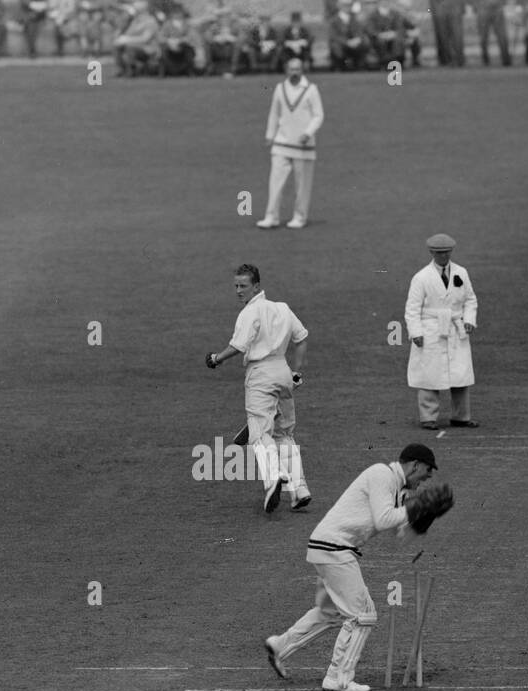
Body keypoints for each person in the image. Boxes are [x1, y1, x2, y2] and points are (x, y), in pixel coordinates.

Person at [265, 444, 440, 691]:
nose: (428, 477)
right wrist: (415, 508)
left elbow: (400, 532)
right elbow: (383, 519)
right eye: (427, 471)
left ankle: (279, 646)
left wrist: (425, 517)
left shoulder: (398, 490)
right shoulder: (382, 475)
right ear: (414, 465)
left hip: (327, 547)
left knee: (331, 612)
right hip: (335, 548)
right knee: (363, 615)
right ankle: (338, 678)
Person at [204, 264, 311, 513]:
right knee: (284, 434)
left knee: (259, 433)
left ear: (257, 286)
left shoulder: (249, 313)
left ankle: (274, 476)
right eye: (236, 286)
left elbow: (239, 346)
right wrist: (295, 372)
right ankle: (299, 490)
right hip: (283, 372)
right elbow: (302, 339)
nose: (239, 291)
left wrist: (216, 358)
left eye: (243, 286)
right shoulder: (282, 308)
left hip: (260, 375)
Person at [405, 233, 479, 429]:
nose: (443, 256)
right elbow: (412, 308)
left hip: (456, 328)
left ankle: (461, 416)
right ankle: (428, 417)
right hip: (432, 329)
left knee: (460, 374)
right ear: (432, 253)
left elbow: (470, 299)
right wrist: (416, 332)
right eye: (439, 253)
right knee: (429, 375)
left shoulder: (461, 272)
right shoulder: (421, 277)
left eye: (446, 252)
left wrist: (469, 319)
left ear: (451, 252)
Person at [255, 56, 323, 230]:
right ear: (286, 70)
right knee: (275, 182)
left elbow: (318, 115)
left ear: (302, 70)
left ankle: (299, 217)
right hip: (282, 142)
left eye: (297, 69)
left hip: (303, 146)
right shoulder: (280, 88)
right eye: (291, 69)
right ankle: (271, 216)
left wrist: (307, 133)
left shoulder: (311, 89)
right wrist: (270, 135)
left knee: (302, 185)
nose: (294, 73)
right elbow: (274, 113)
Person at [113, 0, 159, 75]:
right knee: (117, 45)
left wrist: (126, 40)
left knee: (128, 47)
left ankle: (132, 70)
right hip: (136, 46)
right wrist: (122, 37)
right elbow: (127, 34)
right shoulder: (135, 21)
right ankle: (122, 69)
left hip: (148, 49)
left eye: (135, 8)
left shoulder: (150, 21)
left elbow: (145, 39)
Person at [327, 0, 367, 70]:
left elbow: (359, 32)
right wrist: (347, 42)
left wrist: (357, 39)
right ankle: (341, 66)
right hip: (341, 45)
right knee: (336, 46)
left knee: (364, 42)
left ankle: (358, 65)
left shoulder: (355, 19)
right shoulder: (333, 20)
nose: (347, 7)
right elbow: (334, 36)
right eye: (345, 5)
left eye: (349, 5)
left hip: (354, 44)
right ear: (339, 5)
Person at [365, 0, 404, 66]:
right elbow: (370, 29)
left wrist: (393, 33)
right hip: (378, 38)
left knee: (398, 40)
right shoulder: (372, 15)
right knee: (381, 43)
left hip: (393, 37)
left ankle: (397, 61)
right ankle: (385, 62)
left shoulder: (395, 14)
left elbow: (400, 27)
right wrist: (380, 35)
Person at [476, 0, 510, 65]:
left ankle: (506, 60)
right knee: (483, 38)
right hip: (483, 8)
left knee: (502, 36)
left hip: (497, 9)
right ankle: (485, 60)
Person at [430, 0, 464, 66]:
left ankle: (451, 60)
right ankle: (455, 59)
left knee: (450, 35)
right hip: (449, 8)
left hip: (443, 8)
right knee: (452, 35)